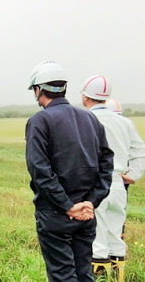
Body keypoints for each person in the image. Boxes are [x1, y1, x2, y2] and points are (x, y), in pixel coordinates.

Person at [25, 61, 113, 281]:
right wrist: (91, 202)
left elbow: (40, 170)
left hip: (56, 215)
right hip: (86, 214)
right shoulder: (90, 118)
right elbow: (106, 164)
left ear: (38, 90)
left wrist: (67, 206)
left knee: (62, 275)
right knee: (84, 273)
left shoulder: (40, 121)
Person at [80, 75, 145, 281]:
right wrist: (132, 175)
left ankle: (99, 277)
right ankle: (119, 277)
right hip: (118, 183)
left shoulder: (85, 120)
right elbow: (140, 150)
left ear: (85, 97)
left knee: (97, 239)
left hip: (94, 184)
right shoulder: (124, 122)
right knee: (115, 236)